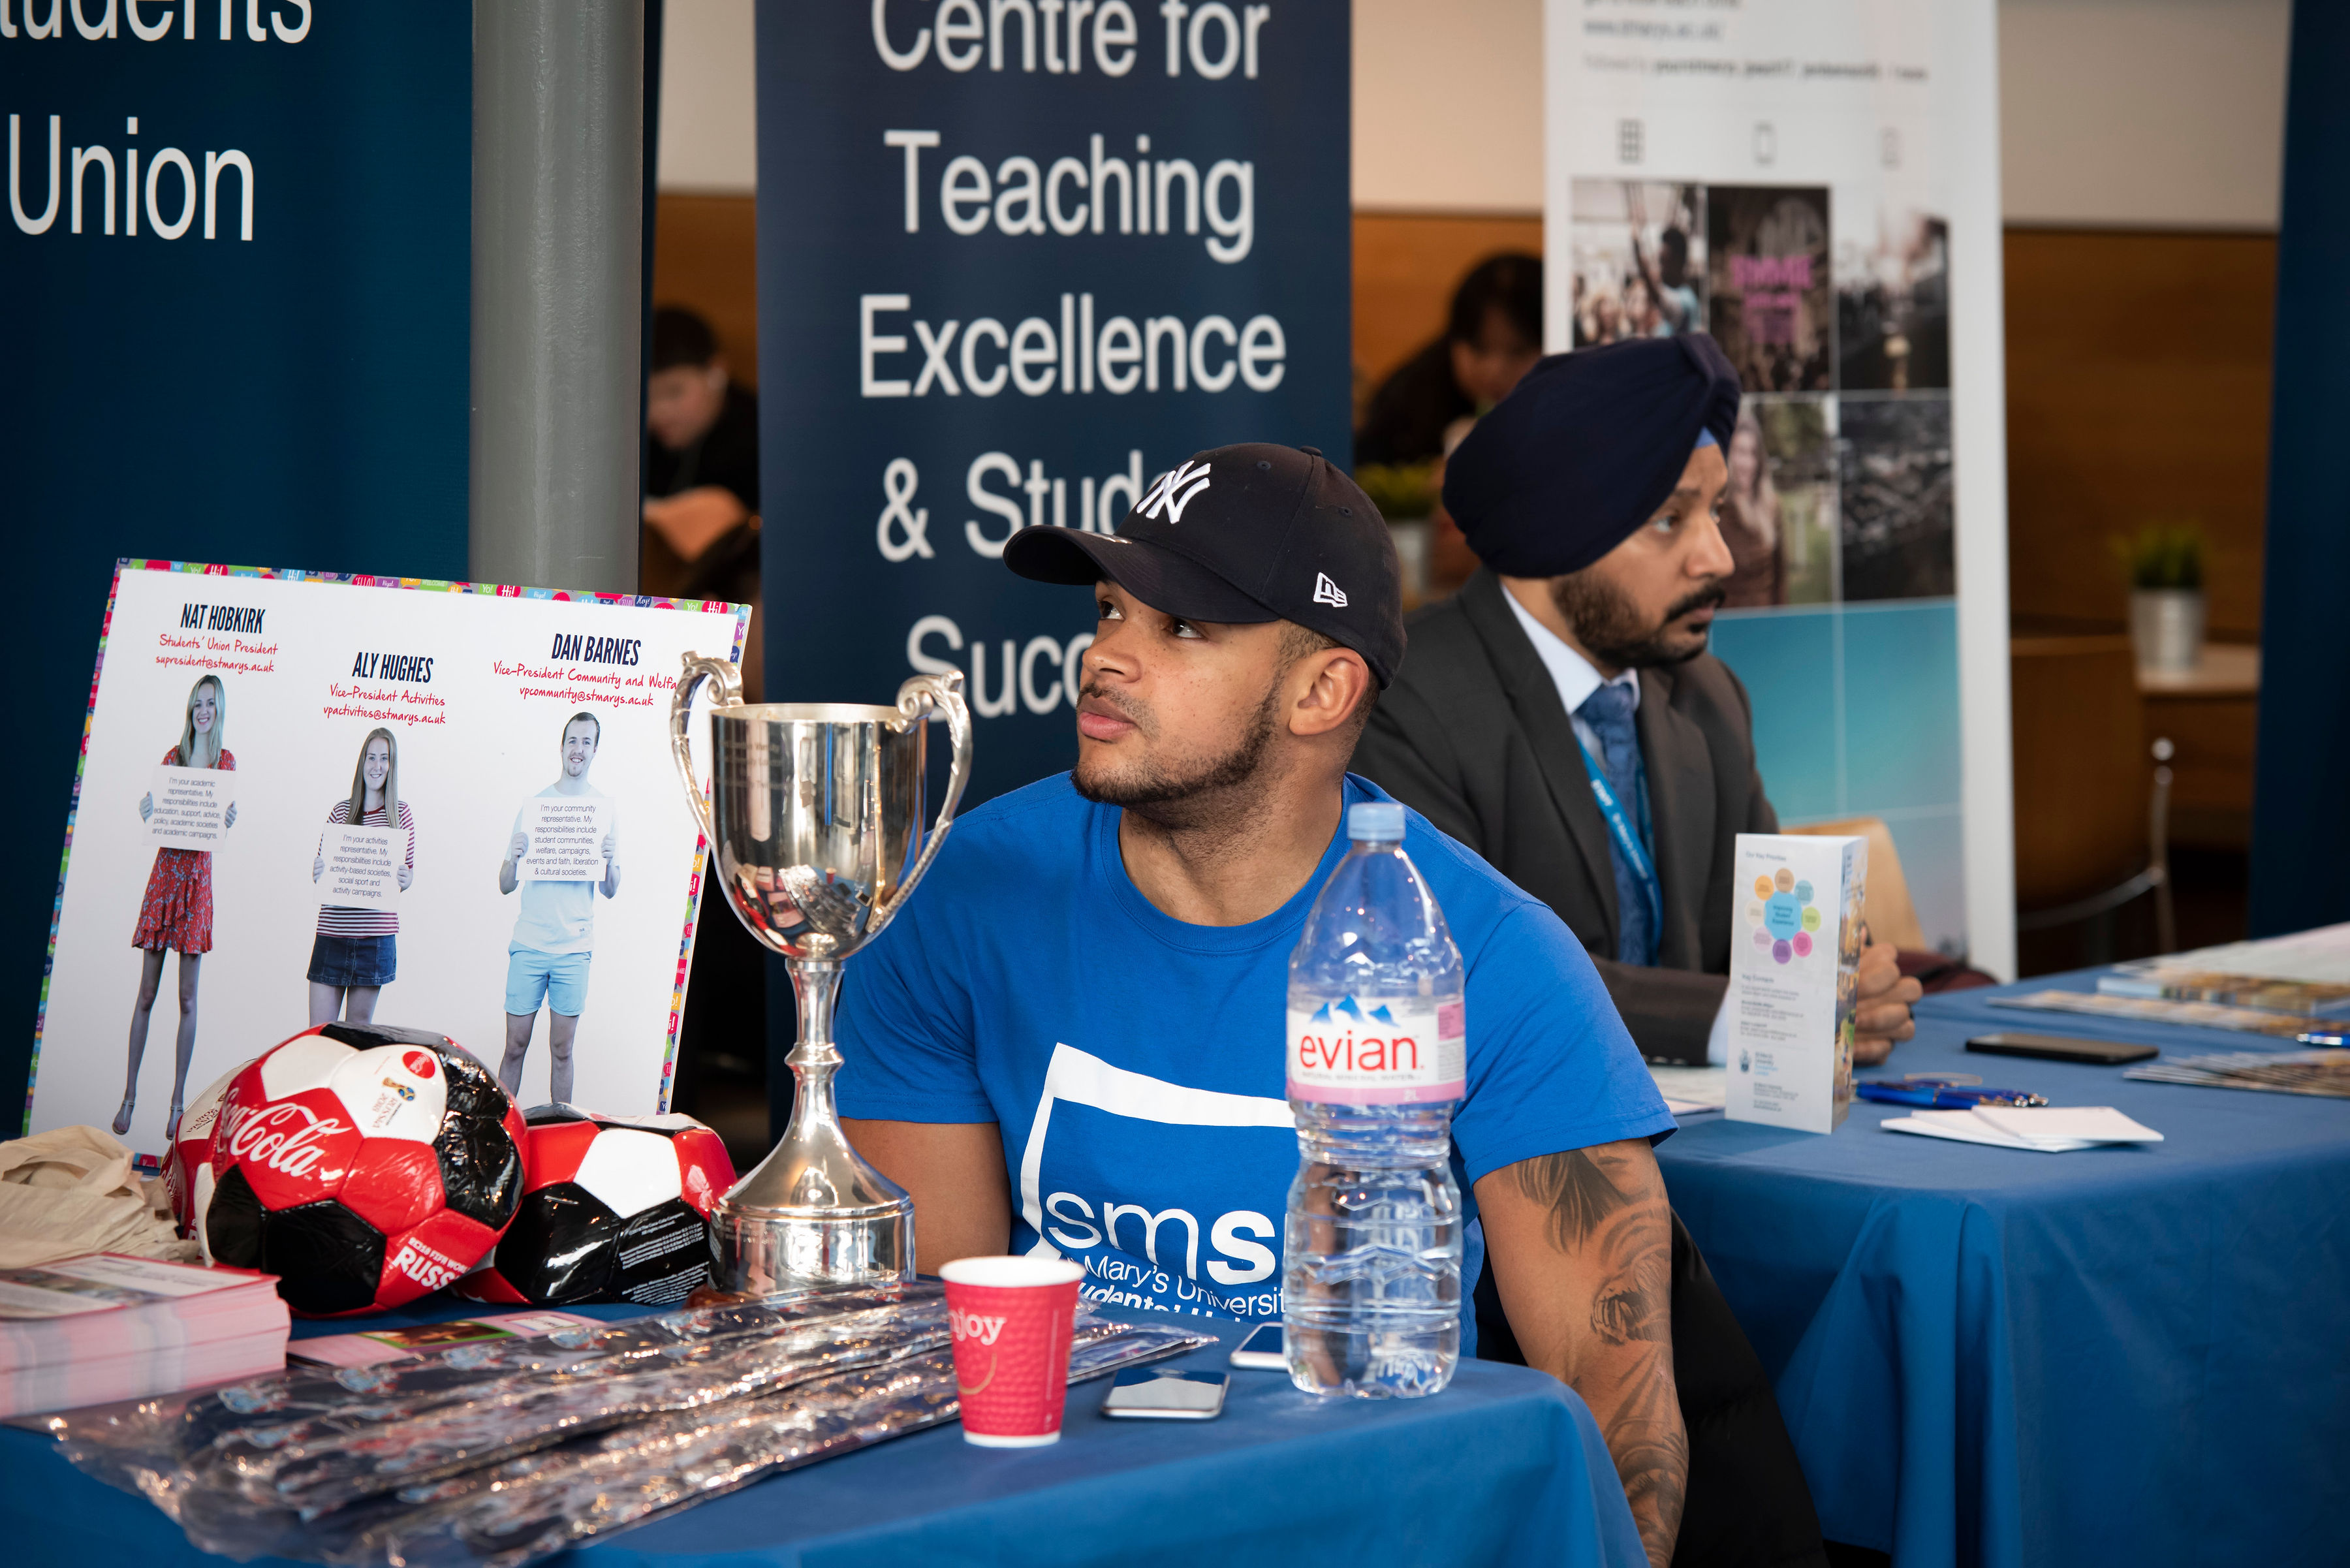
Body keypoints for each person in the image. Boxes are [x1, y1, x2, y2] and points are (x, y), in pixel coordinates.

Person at [835, 443, 1695, 1564]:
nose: (1106, 658)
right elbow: (937, 1340)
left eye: (1181, 628)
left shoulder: (1488, 954)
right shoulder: (960, 898)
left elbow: (1613, 1408)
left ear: (1322, 689)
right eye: (1109, 610)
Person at [1348, 335, 1920, 1070]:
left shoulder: (1708, 697)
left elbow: (1761, 935)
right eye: (1669, 520)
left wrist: (1839, 980)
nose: (1719, 557)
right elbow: (1469, 964)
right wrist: (1737, 1018)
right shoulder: (1409, 702)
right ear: (1558, 532)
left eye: (1714, 511)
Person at [120, 674, 238, 1138]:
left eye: (209, 704)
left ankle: (176, 1104)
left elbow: (218, 826)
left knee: (188, 998)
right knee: (146, 994)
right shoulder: (174, 758)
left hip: (196, 885)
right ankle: (128, 1096)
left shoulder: (226, 763)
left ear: (219, 710)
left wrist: (228, 819)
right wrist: (149, 810)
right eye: (196, 705)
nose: (202, 711)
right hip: (165, 879)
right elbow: (162, 813)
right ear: (190, 712)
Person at [497, 711, 621, 1105]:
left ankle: (559, 1135)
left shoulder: (601, 810)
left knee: (562, 1051)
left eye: (586, 742)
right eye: (572, 741)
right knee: (515, 1046)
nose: (578, 749)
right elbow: (504, 884)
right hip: (530, 944)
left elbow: (611, 890)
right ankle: (502, 1134)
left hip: (573, 950)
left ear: (595, 750)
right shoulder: (536, 806)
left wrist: (608, 860)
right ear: (562, 746)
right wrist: (513, 858)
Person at [1355, 253, 1544, 469]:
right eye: (1479, 349)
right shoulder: (1411, 399)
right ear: (1453, 341)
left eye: (1518, 351)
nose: (1495, 369)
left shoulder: (1571, 410)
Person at [644, 306, 760, 612]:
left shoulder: (761, 436)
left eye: (674, 392)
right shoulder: (636, 441)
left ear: (716, 372)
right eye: (647, 396)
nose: (659, 412)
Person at [307, 728, 416, 1025]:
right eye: (371, 758)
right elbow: (323, 871)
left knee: (355, 1046)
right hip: (332, 935)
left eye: (384, 759)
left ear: (392, 766)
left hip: (374, 942)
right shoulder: (339, 813)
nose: (377, 766)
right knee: (319, 1041)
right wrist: (318, 871)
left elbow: (405, 874)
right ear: (362, 763)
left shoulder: (400, 815)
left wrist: (407, 880)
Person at [1717, 405, 1783, 608]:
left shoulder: (1773, 506)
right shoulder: (1717, 510)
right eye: (1740, 452)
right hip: (1727, 624)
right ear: (1729, 456)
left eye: (1752, 453)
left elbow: (1781, 581)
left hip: (1767, 625)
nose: (1746, 462)